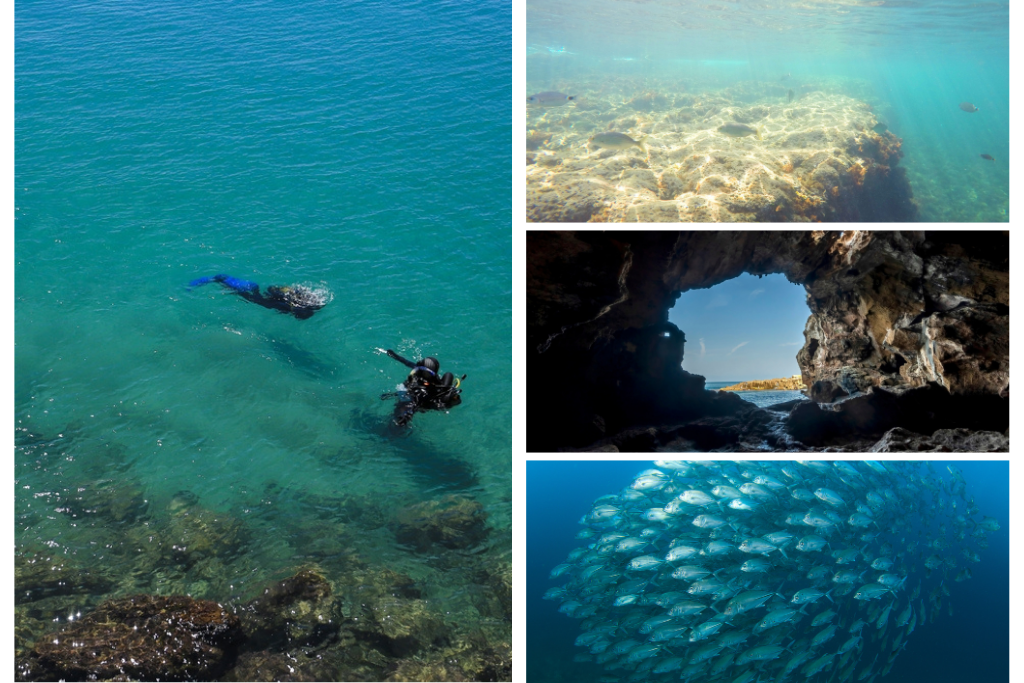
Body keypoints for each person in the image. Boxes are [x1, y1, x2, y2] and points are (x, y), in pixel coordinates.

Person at [382, 349, 464, 426]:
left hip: (423, 400)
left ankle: (402, 419)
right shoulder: (420, 375)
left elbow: (415, 403)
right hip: (416, 397)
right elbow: (406, 362)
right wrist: (393, 355)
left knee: (412, 404)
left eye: (429, 374)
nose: (426, 376)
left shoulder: (435, 383)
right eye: (425, 372)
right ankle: (402, 418)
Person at [188, 274, 326, 319]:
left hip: (265, 294)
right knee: (223, 280)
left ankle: (219, 280)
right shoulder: (285, 304)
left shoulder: (290, 303)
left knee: (248, 293)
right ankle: (213, 279)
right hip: (259, 294)